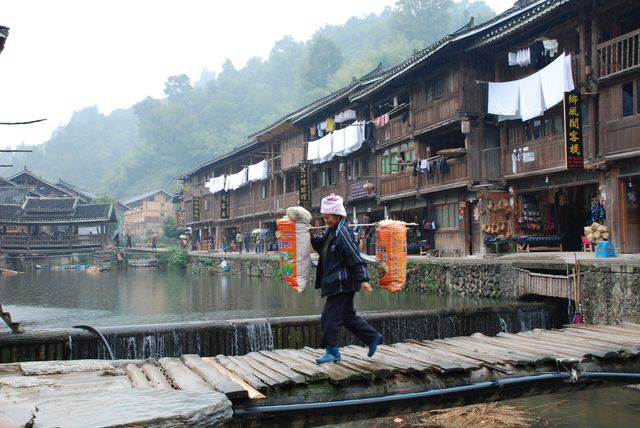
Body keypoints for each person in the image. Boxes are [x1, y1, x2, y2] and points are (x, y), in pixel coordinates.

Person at [310, 193, 383, 364]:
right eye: (324, 217)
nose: (325, 220)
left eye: (327, 217)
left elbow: (354, 256)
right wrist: (309, 237)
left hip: (342, 284)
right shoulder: (332, 231)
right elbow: (322, 247)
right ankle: (372, 337)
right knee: (347, 317)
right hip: (337, 283)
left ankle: (332, 351)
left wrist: (364, 279)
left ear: (336, 215)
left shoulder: (343, 233)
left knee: (329, 318)